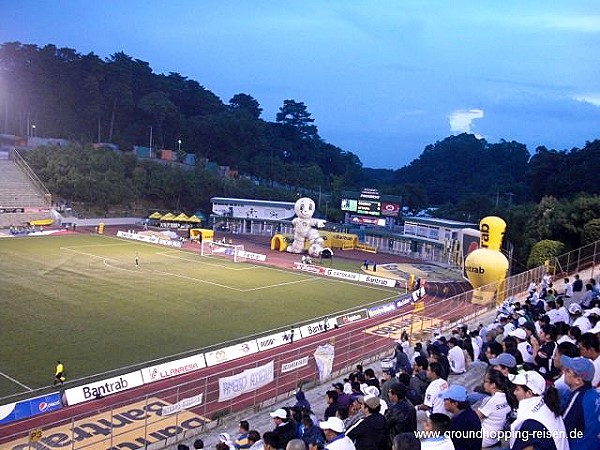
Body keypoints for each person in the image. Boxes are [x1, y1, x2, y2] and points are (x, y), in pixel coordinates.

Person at [508, 370, 568, 450]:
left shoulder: (531, 422)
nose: (514, 393)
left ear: (529, 393)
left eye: (517, 389)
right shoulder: (548, 404)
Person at [560, 355, 600, 450]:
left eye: (568, 371)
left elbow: (562, 429)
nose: (563, 372)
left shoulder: (577, 399)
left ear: (578, 380)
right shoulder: (594, 393)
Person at [476, 369, 512, 448]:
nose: (483, 384)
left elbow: (474, 418)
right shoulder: (508, 397)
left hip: (483, 439)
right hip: (495, 438)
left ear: (493, 385)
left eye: (485, 381)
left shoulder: (491, 400)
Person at [441, 385, 481, 450]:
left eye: (446, 399)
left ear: (455, 403)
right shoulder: (470, 414)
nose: (444, 401)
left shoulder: (459, 422)